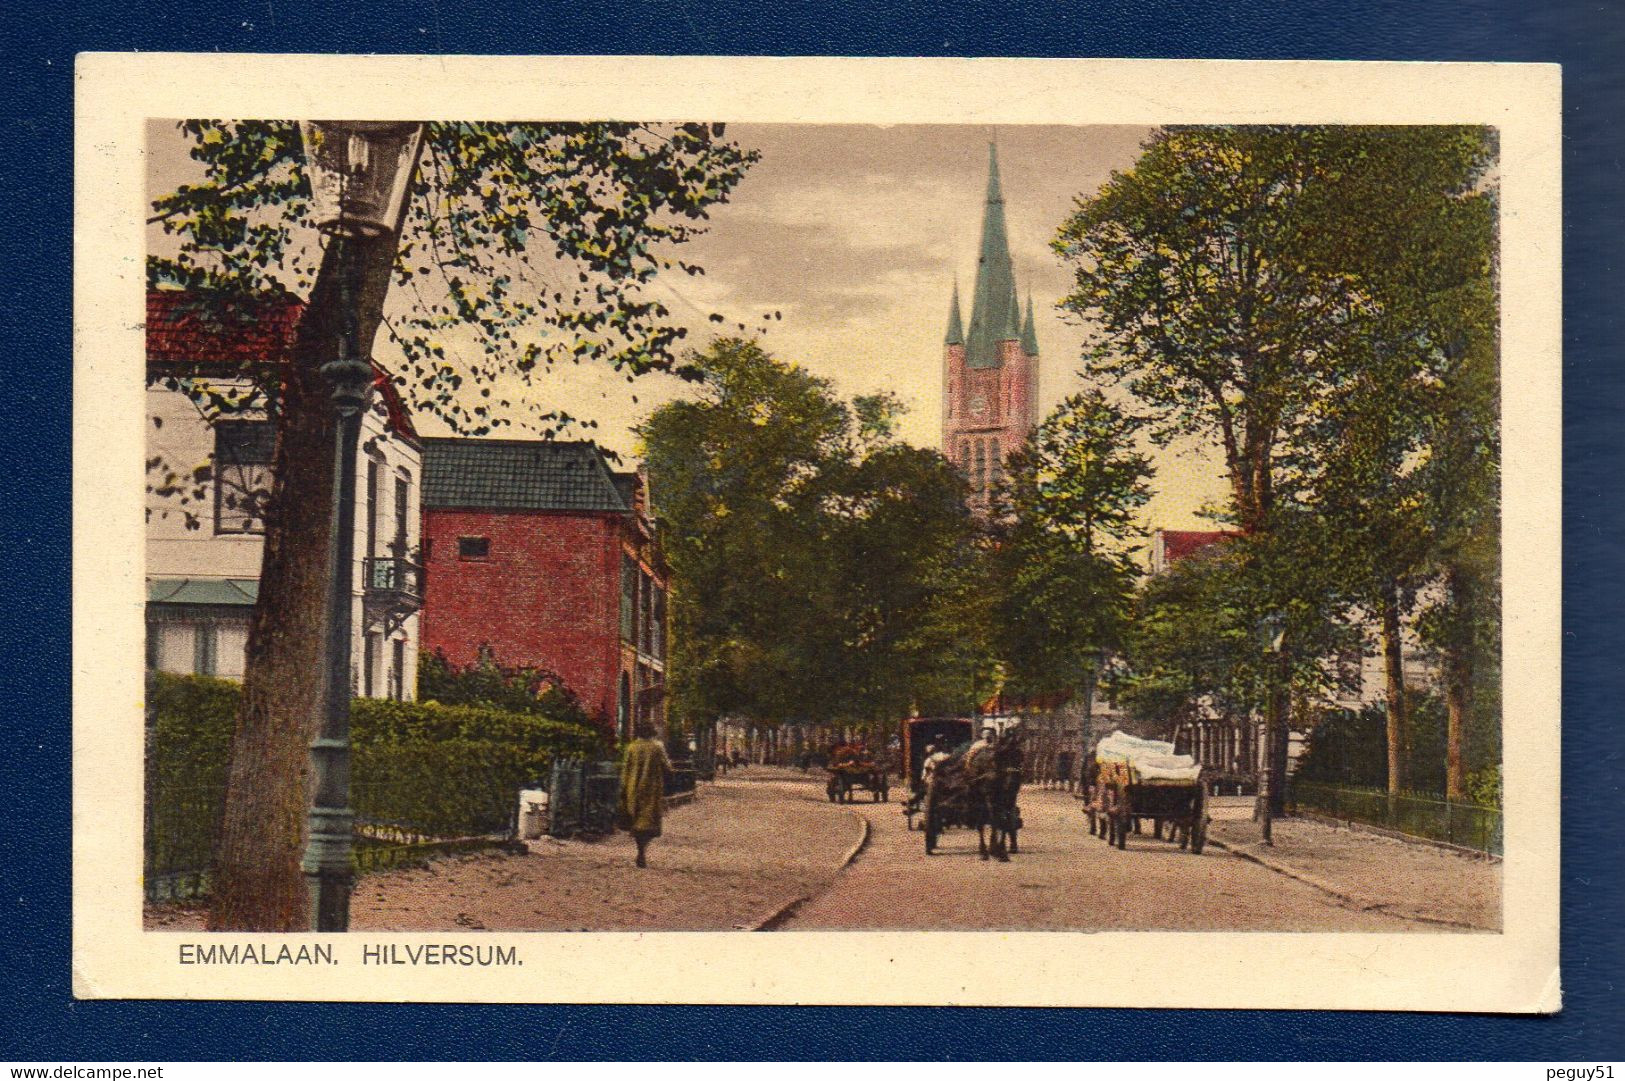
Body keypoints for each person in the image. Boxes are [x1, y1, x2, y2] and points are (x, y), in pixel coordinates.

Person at [618, 722, 672, 868]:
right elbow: (667, 767)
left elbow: (625, 769)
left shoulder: (631, 747)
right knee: (648, 822)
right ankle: (643, 851)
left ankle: (640, 849)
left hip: (633, 787)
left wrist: (623, 788)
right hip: (651, 789)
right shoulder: (657, 747)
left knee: (636, 820)